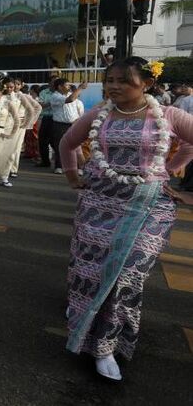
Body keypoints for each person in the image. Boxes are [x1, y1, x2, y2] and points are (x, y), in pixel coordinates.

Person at [58, 57, 193, 381]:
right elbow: (67, 142)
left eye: (123, 81)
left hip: (147, 206)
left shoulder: (169, 115)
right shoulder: (99, 115)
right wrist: (73, 176)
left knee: (126, 275)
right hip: (99, 203)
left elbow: (189, 143)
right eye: (110, 80)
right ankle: (86, 321)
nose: (114, 86)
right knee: (90, 271)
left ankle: (105, 344)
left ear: (146, 83)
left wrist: (170, 169)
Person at [0, 78, 40, 183]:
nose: (14, 87)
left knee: (14, 149)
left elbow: (36, 108)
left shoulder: (21, 96)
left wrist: (26, 123)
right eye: (8, 86)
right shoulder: (0, 96)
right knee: (0, 149)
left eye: (16, 85)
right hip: (2, 125)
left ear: (21, 85)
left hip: (17, 126)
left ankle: (11, 170)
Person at [50, 79, 87, 174]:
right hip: (60, 125)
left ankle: (79, 168)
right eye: (67, 85)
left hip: (73, 124)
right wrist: (80, 88)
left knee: (76, 146)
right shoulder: (55, 96)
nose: (69, 87)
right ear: (59, 87)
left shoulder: (73, 96)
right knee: (60, 146)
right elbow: (70, 100)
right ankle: (59, 166)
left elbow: (77, 109)